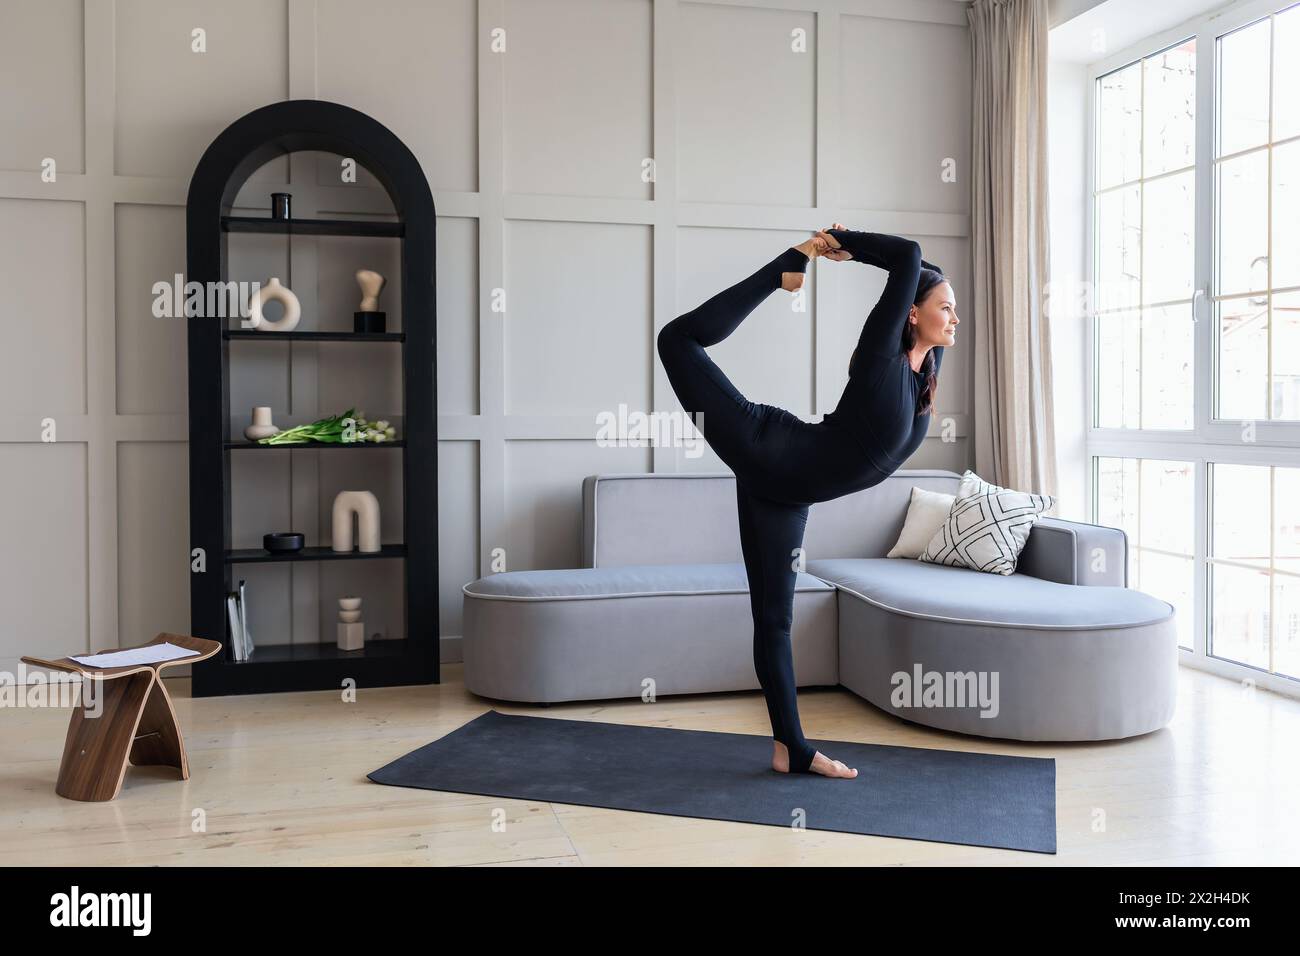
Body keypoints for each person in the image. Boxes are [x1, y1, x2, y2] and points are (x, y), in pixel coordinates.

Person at [656, 224, 958, 777]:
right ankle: (782, 272)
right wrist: (837, 242)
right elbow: (909, 256)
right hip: (768, 447)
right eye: (945, 306)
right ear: (911, 312)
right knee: (675, 340)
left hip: (787, 495)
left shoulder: (923, 381)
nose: (955, 317)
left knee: (774, 621)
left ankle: (790, 748)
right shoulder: (880, 357)